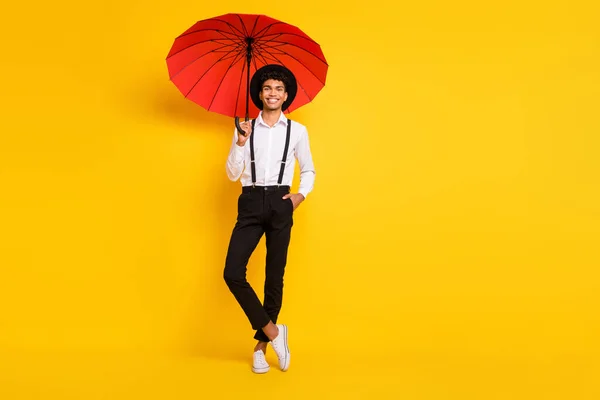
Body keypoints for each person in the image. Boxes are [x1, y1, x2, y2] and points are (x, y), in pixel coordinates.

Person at [223, 64, 316, 373]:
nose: (272, 93)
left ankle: (261, 348)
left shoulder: (297, 131)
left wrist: (300, 194)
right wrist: (239, 141)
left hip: (279, 201)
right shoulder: (244, 128)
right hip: (249, 201)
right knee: (233, 272)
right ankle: (276, 332)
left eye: (278, 89)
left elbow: (310, 169)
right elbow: (232, 173)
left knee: (274, 276)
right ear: (259, 94)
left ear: (286, 95)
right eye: (267, 89)